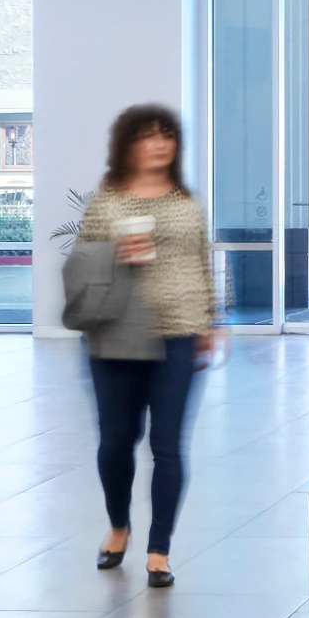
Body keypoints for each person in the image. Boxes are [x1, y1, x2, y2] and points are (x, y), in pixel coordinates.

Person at [63, 103, 218, 587]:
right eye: (148, 135)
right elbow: (80, 264)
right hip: (114, 333)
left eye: (167, 135)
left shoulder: (184, 202)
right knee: (115, 443)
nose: (159, 143)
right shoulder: (106, 201)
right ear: (128, 144)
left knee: (168, 446)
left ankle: (159, 550)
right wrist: (115, 253)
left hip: (179, 332)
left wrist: (211, 320)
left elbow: (202, 261)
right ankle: (118, 526)